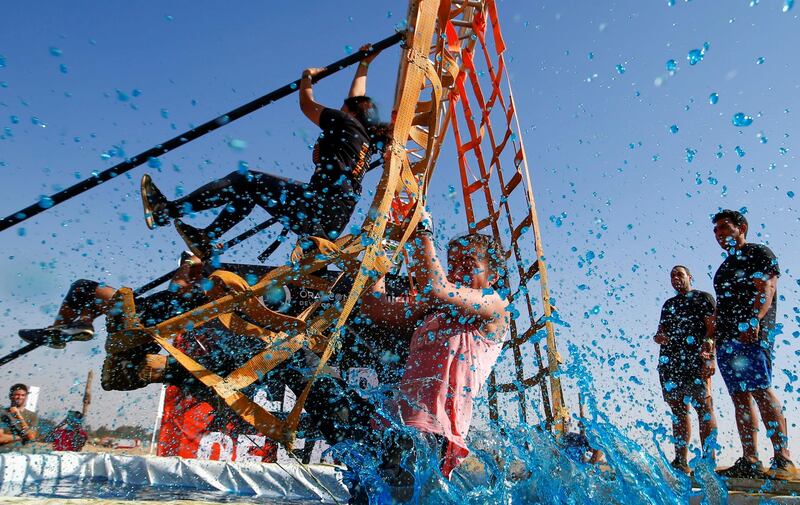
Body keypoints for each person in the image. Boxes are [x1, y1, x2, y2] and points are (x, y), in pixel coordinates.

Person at [140, 45, 391, 260]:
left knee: (246, 178)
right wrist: (364, 64)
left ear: (350, 112)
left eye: (343, 107)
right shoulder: (362, 137)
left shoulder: (345, 123)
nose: (338, 107)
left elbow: (306, 105)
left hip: (317, 207)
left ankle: (167, 212)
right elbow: (356, 98)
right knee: (250, 191)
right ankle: (207, 238)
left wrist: (306, 79)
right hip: (331, 220)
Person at [361, 209, 510, 482]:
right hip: (395, 423)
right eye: (452, 264)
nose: (457, 271)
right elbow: (374, 308)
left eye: (467, 263)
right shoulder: (435, 308)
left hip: (436, 434)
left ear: (495, 275)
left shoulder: (495, 304)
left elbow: (436, 287)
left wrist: (423, 232)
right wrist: (379, 256)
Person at [711, 209, 795, 479]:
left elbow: (767, 288)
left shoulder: (759, 253)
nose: (720, 234)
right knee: (739, 398)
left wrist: (754, 319)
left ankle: (783, 459)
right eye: (716, 231)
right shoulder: (723, 270)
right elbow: (721, 308)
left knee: (760, 389)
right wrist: (712, 341)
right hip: (727, 340)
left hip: (752, 334)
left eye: (725, 228)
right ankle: (750, 460)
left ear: (741, 227)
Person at [18, 252, 205, 349]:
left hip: (140, 316)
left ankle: (58, 329)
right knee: (94, 299)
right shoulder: (198, 294)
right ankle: (82, 323)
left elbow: (176, 287)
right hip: (144, 315)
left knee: (82, 286)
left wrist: (189, 262)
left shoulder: (200, 290)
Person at [653, 265, 718, 474]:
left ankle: (708, 460)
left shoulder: (703, 298)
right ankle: (681, 460)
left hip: (695, 362)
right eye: (672, 275)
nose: (675, 278)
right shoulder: (668, 305)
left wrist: (710, 357)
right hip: (670, 364)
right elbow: (660, 332)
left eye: (679, 274)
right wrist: (659, 338)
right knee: (678, 412)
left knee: (704, 409)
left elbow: (712, 329)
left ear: (690, 277)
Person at [0, 383, 39, 449]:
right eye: (17, 395)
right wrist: (20, 437)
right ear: (11, 396)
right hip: (4, 453)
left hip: (23, 455)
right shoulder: (2, 414)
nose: (20, 397)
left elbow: (32, 437)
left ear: (26, 397)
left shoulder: (32, 415)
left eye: (23, 395)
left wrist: (19, 416)